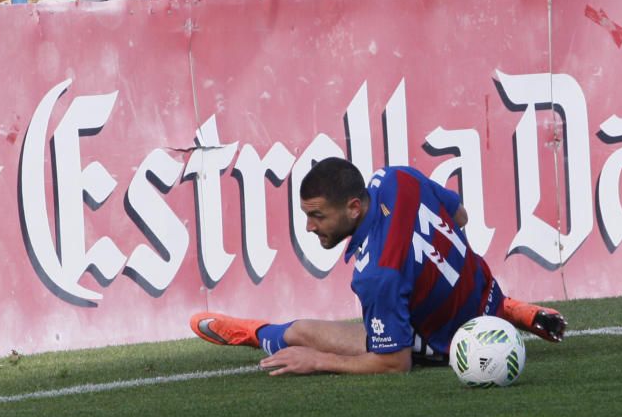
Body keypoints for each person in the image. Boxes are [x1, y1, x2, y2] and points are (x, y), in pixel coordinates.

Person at [190, 158, 567, 375]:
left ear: (354, 207)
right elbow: (461, 215)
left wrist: (318, 361)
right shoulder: (396, 177)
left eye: (318, 216)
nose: (309, 227)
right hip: (486, 290)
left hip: (453, 341)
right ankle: (509, 309)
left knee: (305, 332)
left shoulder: (377, 273)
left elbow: (393, 363)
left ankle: (259, 334)